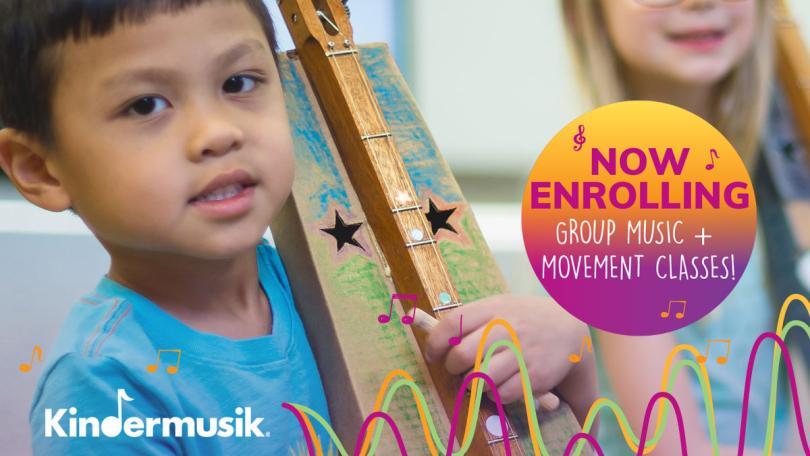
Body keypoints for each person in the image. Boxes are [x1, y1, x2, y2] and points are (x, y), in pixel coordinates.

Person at [0, 0, 597, 453]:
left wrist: (569, 350)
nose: (217, 133)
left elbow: (576, 429)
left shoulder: (346, 277)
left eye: (238, 83)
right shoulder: (103, 385)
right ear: (40, 169)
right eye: (145, 105)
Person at [559, 0, 810, 454]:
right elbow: (672, 447)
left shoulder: (771, 181)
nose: (701, 3)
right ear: (585, 12)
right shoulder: (610, 189)